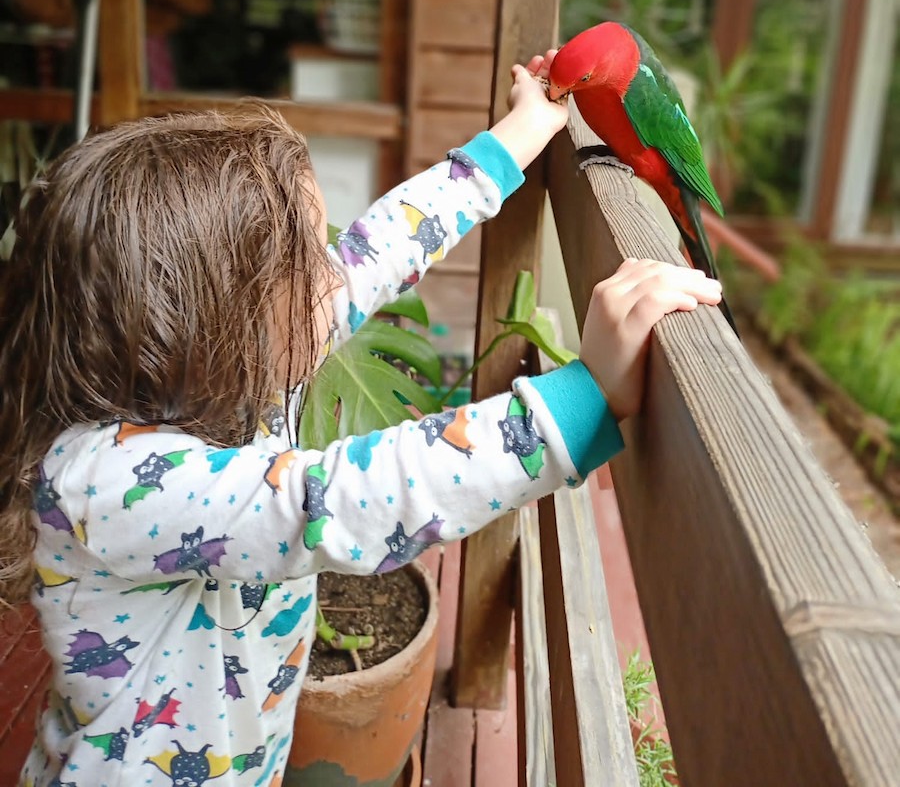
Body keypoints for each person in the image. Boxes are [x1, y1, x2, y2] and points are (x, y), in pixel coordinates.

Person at [0, 51, 722, 787]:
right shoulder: (104, 482)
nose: (334, 271)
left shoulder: (224, 373)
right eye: (306, 262)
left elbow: (377, 250)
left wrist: (513, 141)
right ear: (206, 324)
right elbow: (335, 499)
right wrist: (583, 398)